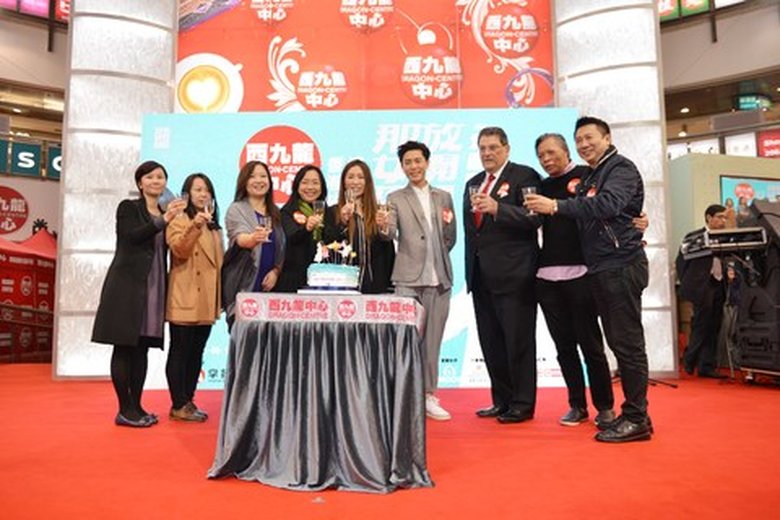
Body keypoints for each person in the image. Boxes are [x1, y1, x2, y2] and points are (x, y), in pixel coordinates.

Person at [525, 116, 651, 443]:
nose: (584, 144)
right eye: (579, 139)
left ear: (607, 138)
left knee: (626, 345)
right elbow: (600, 212)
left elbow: (608, 204)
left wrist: (556, 206)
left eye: (589, 138)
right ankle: (630, 414)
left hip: (619, 264)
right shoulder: (594, 175)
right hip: (602, 267)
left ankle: (635, 418)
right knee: (618, 343)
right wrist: (635, 220)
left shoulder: (619, 168)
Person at [92, 160, 186, 428]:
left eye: (160, 177)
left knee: (142, 348)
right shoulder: (129, 208)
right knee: (124, 346)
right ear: (140, 183)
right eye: (150, 177)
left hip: (154, 285)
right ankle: (124, 409)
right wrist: (162, 221)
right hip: (127, 286)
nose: (156, 181)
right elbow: (130, 237)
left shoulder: (168, 212)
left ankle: (137, 406)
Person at [534, 133, 616, 427]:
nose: (546, 159)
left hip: (582, 273)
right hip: (546, 276)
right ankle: (576, 405)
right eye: (541, 155)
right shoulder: (540, 187)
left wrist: (638, 220)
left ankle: (605, 406)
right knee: (564, 347)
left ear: (566, 151)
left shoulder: (586, 176)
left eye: (551, 152)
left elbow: (608, 208)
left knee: (591, 345)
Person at [464, 127, 541, 424]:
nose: (487, 153)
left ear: (506, 148)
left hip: (515, 275)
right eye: (482, 148)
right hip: (481, 276)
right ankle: (502, 400)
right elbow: (472, 233)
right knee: (491, 342)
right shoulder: (473, 183)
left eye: (493, 147)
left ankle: (522, 403)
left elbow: (534, 218)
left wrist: (499, 208)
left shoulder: (524, 175)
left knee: (518, 341)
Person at [381, 141, 456, 420]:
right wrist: (382, 224)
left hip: (439, 279)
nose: (413, 166)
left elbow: (450, 236)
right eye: (407, 162)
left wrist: (436, 257)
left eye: (417, 161)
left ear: (427, 162)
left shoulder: (444, 196)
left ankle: (428, 395)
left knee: (432, 342)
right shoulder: (395, 198)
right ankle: (403, 396)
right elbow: (389, 234)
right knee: (405, 341)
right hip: (407, 279)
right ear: (402, 167)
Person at [165, 173, 224, 422]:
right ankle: (178, 403)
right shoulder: (180, 220)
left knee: (196, 352)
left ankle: (188, 400)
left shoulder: (214, 226)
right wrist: (195, 226)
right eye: (197, 189)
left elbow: (219, 265)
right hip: (185, 293)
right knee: (180, 350)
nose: (203, 194)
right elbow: (180, 249)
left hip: (206, 298)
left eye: (206, 190)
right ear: (187, 194)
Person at [223, 161, 286, 327]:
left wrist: (276, 271)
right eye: (252, 176)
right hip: (244, 284)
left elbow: (281, 247)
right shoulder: (236, 209)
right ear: (244, 181)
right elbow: (239, 238)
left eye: (263, 176)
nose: (259, 180)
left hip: (270, 289)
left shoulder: (276, 212)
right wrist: (253, 239)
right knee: (244, 338)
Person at [676, 204, 729, 379]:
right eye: (720, 217)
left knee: (714, 325)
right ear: (709, 218)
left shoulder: (726, 238)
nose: (723, 221)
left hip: (719, 284)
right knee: (701, 324)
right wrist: (688, 282)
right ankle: (690, 359)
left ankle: (706, 366)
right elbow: (681, 262)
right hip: (701, 286)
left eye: (725, 218)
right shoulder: (694, 237)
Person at [327, 159, 395, 293]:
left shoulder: (378, 212)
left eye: (360, 177)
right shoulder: (333, 212)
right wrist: (343, 222)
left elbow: (387, 249)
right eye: (350, 177)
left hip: (374, 283)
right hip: (342, 284)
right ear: (343, 182)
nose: (355, 182)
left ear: (367, 182)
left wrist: (383, 228)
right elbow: (328, 245)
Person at [276, 165, 329, 293]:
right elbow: (291, 237)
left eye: (315, 183)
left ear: (322, 187)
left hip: (323, 279)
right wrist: (307, 228)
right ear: (297, 186)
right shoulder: (287, 211)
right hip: (294, 279)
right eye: (305, 182)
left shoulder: (328, 212)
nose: (310, 187)